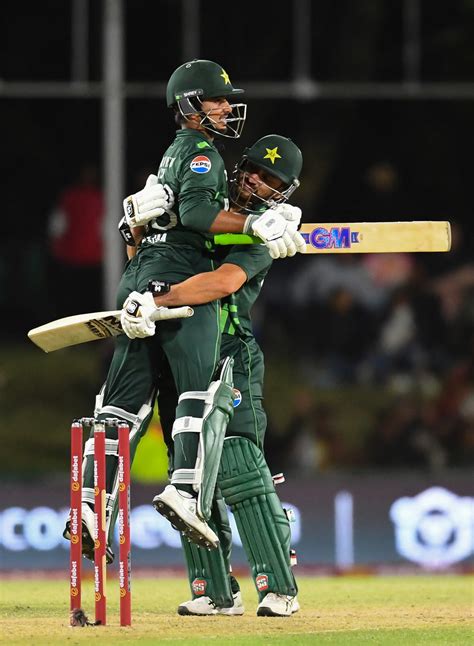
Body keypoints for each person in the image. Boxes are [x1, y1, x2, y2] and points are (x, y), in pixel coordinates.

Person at [63, 60, 305, 562]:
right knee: (201, 395)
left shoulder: (207, 182)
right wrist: (147, 256)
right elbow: (208, 261)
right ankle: (184, 493)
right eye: (215, 100)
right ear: (191, 104)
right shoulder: (203, 158)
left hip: (152, 290)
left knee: (120, 407)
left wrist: (139, 255)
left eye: (270, 180)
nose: (224, 108)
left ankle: (89, 503)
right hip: (188, 307)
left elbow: (216, 269)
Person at [122, 134, 303, 617]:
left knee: (238, 466)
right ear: (239, 166)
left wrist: (158, 300)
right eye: (255, 171)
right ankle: (214, 591)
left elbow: (222, 282)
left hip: (229, 352)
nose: (257, 183)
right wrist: (134, 229)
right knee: (187, 468)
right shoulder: (204, 209)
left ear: (283, 192)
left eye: (272, 181)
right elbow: (145, 267)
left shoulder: (268, 231)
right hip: (178, 343)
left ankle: (279, 589)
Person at [47, 163, 104, 317]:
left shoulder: (100, 197)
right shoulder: (69, 196)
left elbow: (104, 226)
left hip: (93, 255)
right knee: (70, 296)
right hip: (70, 254)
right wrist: (56, 248)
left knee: (89, 296)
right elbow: (58, 223)